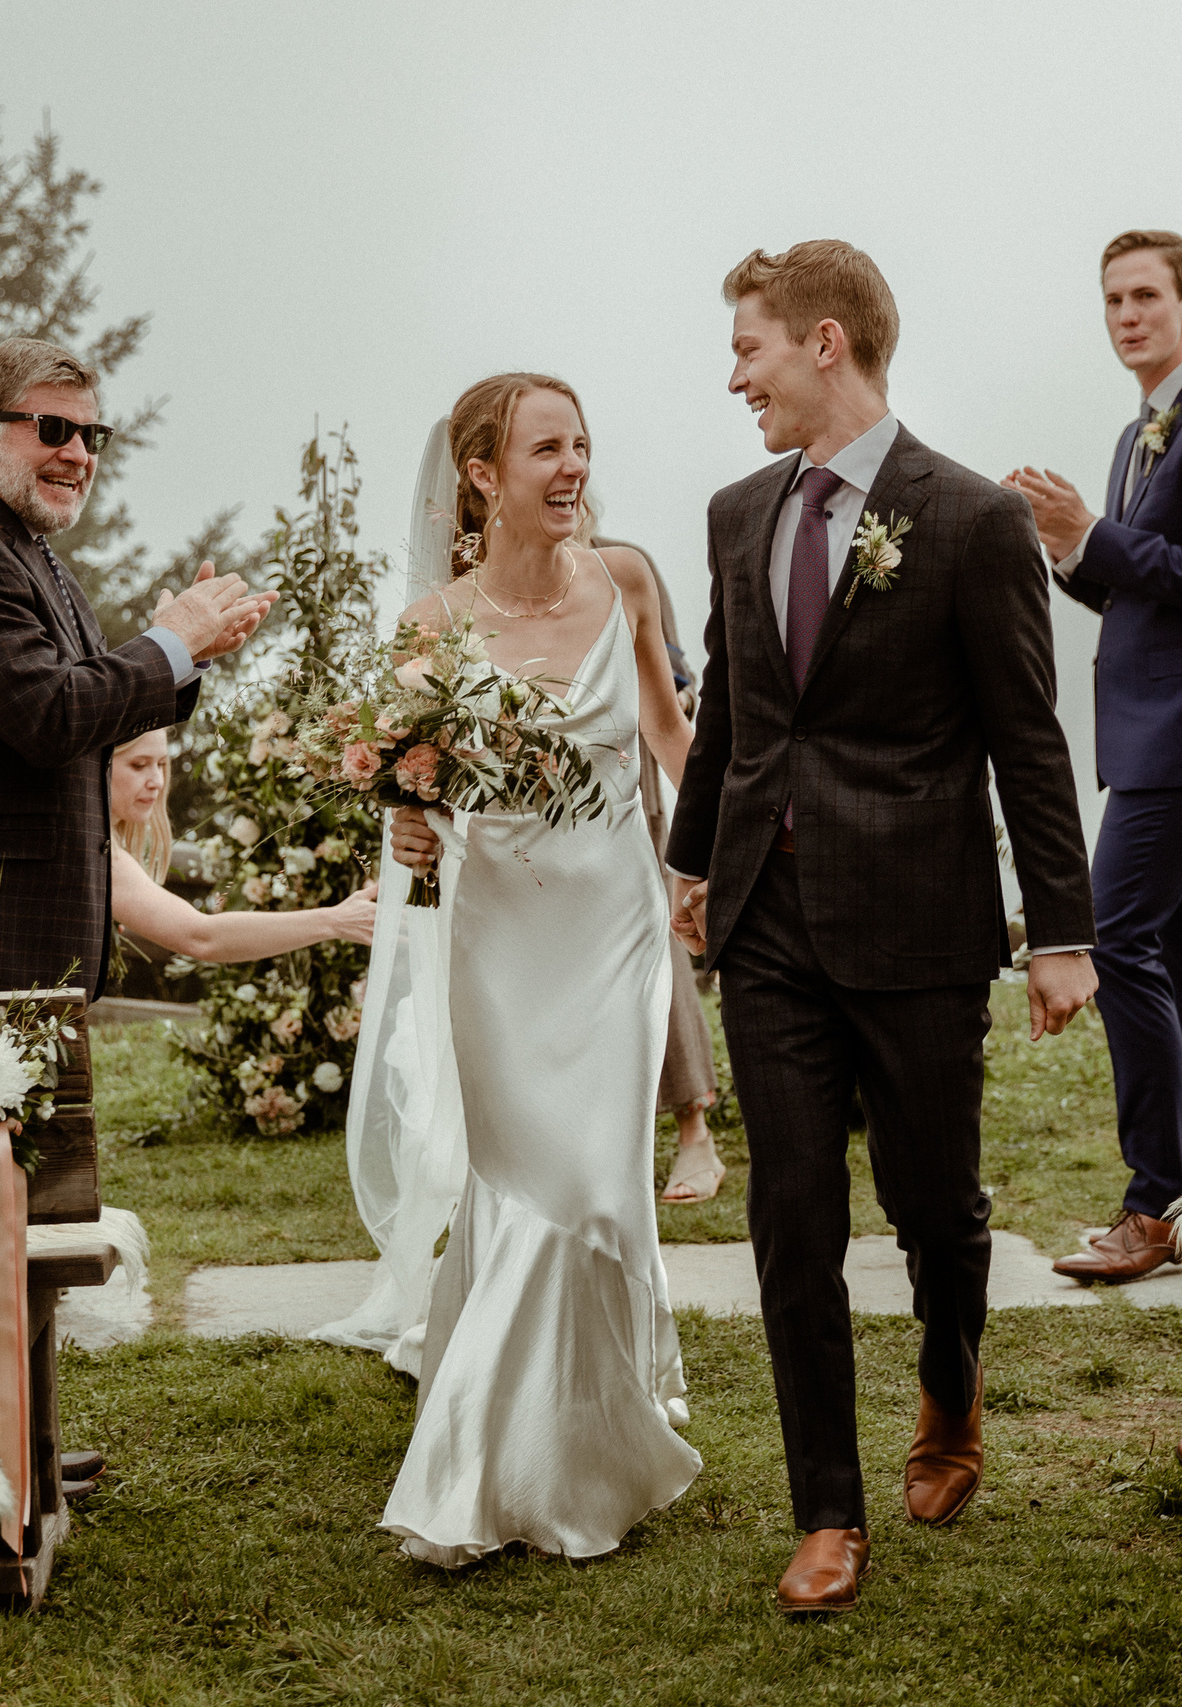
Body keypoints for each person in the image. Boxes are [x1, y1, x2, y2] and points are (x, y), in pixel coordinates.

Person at [668, 241, 1099, 1614]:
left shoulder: (968, 518)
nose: (735, 374)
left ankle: (950, 1374)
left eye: (750, 347)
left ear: (827, 342)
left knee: (933, 1203)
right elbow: (733, 710)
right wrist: (692, 867)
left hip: (919, 918)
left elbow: (1030, 741)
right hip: (769, 922)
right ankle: (827, 1512)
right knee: (791, 1211)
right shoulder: (740, 512)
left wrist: (1063, 931)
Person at [376, 372, 706, 1565]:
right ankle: (492, 1458)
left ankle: (570, 1444)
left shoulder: (624, 580)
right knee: (526, 1183)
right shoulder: (434, 625)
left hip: (613, 924)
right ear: (482, 476)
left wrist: (707, 857)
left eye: (581, 447)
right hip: (500, 929)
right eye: (545, 452)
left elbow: (669, 734)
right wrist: (411, 820)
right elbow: (410, 783)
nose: (572, 469)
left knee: (600, 1188)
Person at [1007, 228, 1182, 1286]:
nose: (1126, 315)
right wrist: (1068, 542)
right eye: (1112, 299)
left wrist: (1097, 534)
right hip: (1142, 734)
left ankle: (1154, 1202)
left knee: (1110, 937)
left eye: (1145, 297)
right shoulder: (1140, 435)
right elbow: (1137, 588)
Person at [0, 336, 272, 999]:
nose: (80, 456)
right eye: (55, 429)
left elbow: (87, 716)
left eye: (93, 436)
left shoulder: (24, 547)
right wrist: (167, 643)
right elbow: (50, 716)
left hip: (26, 954)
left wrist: (188, 655)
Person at [578, 504, 726, 1203]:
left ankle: (694, 1126)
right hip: (513, 828)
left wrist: (720, 842)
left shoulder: (622, 563)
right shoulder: (466, 586)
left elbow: (672, 692)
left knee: (653, 953)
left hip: (625, 794)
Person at [106, 728, 378, 960]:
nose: (157, 781)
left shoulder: (109, 847)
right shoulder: (100, 854)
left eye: (162, 764)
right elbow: (202, 937)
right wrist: (334, 921)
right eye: (139, 765)